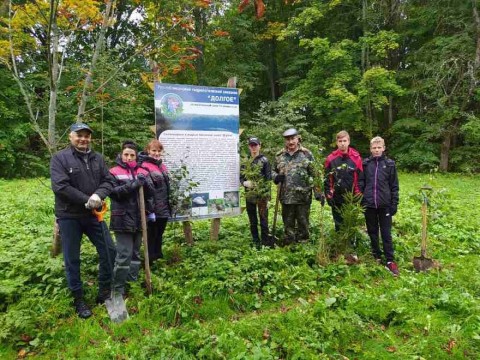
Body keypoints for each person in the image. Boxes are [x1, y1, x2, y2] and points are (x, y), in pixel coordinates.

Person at [50, 123, 116, 319]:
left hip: (93, 215)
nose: (83, 139)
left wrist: (98, 194)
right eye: (79, 135)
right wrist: (86, 200)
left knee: (109, 251)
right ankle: (78, 298)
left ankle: (104, 291)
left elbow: (109, 181)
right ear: (71, 137)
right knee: (72, 258)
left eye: (87, 136)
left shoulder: (97, 158)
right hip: (69, 216)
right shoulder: (60, 158)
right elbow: (60, 187)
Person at [109, 141, 154, 297]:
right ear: (121, 155)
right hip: (121, 220)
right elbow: (114, 193)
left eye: (132, 155)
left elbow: (150, 193)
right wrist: (134, 184)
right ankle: (118, 290)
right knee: (124, 255)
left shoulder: (143, 170)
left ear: (136, 156)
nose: (129, 157)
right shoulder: (114, 171)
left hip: (139, 219)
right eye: (126, 154)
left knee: (135, 254)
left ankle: (132, 283)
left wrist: (145, 183)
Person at [273, 128, 322, 244]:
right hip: (286, 197)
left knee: (303, 224)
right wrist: (275, 177)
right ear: (285, 141)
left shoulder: (306, 154)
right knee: (288, 224)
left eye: (292, 139)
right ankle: (290, 244)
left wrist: (318, 193)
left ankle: (303, 246)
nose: (290, 142)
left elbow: (315, 174)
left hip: (303, 197)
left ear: (297, 138)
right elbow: (272, 171)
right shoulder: (279, 155)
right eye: (288, 139)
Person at [359, 136, 399, 276]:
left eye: (379, 147)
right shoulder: (365, 164)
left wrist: (394, 203)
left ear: (383, 148)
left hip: (385, 205)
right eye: (374, 148)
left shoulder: (390, 165)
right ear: (370, 149)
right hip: (369, 205)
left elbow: (394, 186)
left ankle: (390, 260)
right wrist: (362, 200)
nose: (376, 150)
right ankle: (376, 255)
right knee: (372, 231)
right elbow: (361, 183)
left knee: (386, 233)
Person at [138, 139, 171, 263]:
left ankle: (158, 256)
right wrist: (150, 210)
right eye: (153, 150)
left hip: (163, 206)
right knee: (151, 235)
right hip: (153, 208)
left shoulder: (162, 166)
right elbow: (148, 190)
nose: (156, 153)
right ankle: (150, 260)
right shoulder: (144, 166)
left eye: (158, 151)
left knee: (159, 234)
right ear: (148, 151)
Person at [324, 130, 363, 232]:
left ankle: (351, 244)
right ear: (337, 143)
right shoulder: (330, 159)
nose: (342, 143)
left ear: (349, 141)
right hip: (336, 197)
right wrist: (328, 195)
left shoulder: (356, 158)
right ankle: (339, 244)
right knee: (338, 223)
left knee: (351, 222)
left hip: (351, 197)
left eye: (344, 141)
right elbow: (327, 179)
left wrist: (358, 195)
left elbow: (360, 178)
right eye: (340, 141)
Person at [240, 137, 272, 248]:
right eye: (251, 145)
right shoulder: (245, 162)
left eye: (256, 145)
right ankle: (255, 241)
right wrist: (244, 183)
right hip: (249, 196)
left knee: (263, 220)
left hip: (262, 196)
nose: (254, 147)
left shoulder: (265, 161)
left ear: (260, 146)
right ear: (249, 147)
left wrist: (268, 198)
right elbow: (241, 177)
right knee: (252, 220)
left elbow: (268, 180)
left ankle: (265, 242)